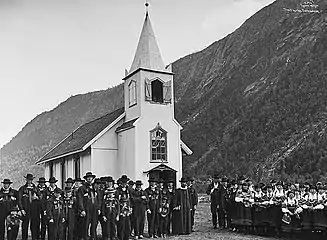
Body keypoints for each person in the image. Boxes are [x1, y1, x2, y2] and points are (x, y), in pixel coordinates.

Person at [18, 173, 41, 240]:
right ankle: (24, 238)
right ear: (26, 179)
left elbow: (40, 198)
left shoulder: (36, 188)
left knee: (34, 225)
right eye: (28, 179)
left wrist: (37, 197)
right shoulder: (22, 189)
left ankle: (34, 238)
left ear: (32, 180)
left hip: (34, 209)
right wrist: (21, 209)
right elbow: (19, 200)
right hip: (25, 209)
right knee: (25, 225)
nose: (29, 181)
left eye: (30, 179)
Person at [77, 172, 99, 240]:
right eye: (88, 178)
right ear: (86, 179)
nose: (89, 179)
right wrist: (82, 209)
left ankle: (93, 237)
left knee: (94, 224)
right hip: (87, 209)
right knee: (85, 225)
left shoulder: (95, 187)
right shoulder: (82, 188)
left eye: (91, 178)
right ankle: (85, 237)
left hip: (94, 209)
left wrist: (98, 208)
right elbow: (80, 199)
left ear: (92, 179)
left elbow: (98, 198)